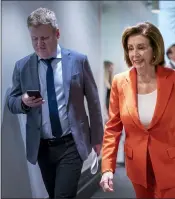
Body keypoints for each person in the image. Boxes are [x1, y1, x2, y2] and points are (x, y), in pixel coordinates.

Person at [7, 8, 103, 198]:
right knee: (54, 194)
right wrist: (24, 102)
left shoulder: (77, 61)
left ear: (57, 34)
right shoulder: (23, 66)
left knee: (63, 196)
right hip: (43, 147)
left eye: (44, 38)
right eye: (34, 39)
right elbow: (12, 101)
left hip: (72, 143)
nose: (39, 44)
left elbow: (93, 102)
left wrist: (97, 137)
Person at [99, 22, 175, 198]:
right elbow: (113, 128)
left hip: (171, 161)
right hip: (138, 164)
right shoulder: (119, 82)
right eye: (130, 48)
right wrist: (107, 167)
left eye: (141, 47)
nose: (134, 54)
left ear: (155, 49)